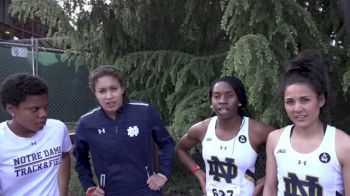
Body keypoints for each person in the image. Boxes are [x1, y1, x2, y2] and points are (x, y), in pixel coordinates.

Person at [73, 65, 175, 196]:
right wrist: (89, 186)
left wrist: (163, 174)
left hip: (147, 190)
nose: (109, 96)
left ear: (122, 89)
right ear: (95, 93)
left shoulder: (144, 112)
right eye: (102, 91)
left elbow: (167, 143)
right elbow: (80, 160)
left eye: (113, 89)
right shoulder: (86, 123)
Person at [263, 50, 350, 195]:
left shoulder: (343, 145)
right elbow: (270, 187)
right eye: (290, 102)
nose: (297, 108)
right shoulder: (275, 139)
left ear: (320, 100)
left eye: (305, 100)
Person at [176, 76, 274, 196]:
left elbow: (288, 148)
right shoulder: (202, 129)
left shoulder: (256, 130)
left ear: (239, 100)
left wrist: (265, 181)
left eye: (229, 95)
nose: (222, 100)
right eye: (216, 96)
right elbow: (180, 149)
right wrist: (199, 174)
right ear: (211, 102)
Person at [0, 73, 72, 196]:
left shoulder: (57, 129)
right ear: (11, 109)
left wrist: (62, 192)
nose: (43, 114)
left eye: (45, 107)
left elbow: (64, 156)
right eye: (34, 109)